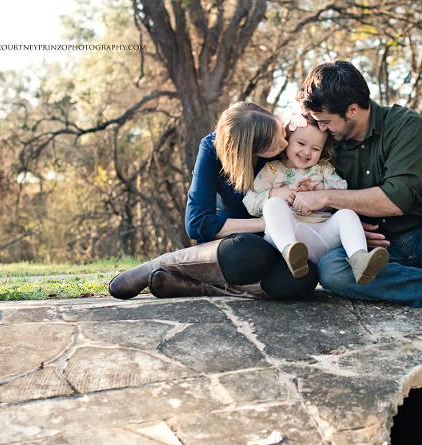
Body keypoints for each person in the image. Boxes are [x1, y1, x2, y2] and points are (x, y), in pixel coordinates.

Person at [294, 60, 422, 342]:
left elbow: (396, 199)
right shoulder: (328, 142)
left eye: (326, 120)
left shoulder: (406, 126)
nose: (320, 126)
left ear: (352, 110)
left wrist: (326, 197)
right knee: (333, 268)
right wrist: (349, 229)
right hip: (380, 251)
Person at [108, 102, 318, 300]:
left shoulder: (284, 137)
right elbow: (197, 223)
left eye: (282, 132)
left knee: (304, 275)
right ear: (253, 151)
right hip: (234, 244)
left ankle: (200, 287)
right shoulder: (212, 148)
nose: (286, 144)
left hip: (278, 240)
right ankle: (162, 264)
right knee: (251, 252)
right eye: (276, 146)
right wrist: (265, 223)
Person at [242, 112, 389, 284]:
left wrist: (320, 189)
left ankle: (359, 259)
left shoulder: (322, 168)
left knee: (347, 214)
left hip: (322, 233)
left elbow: (342, 188)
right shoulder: (272, 170)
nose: (307, 152)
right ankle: (290, 253)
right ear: (287, 140)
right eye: (301, 143)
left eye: (315, 148)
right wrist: (274, 194)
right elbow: (250, 201)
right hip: (289, 233)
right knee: (273, 204)